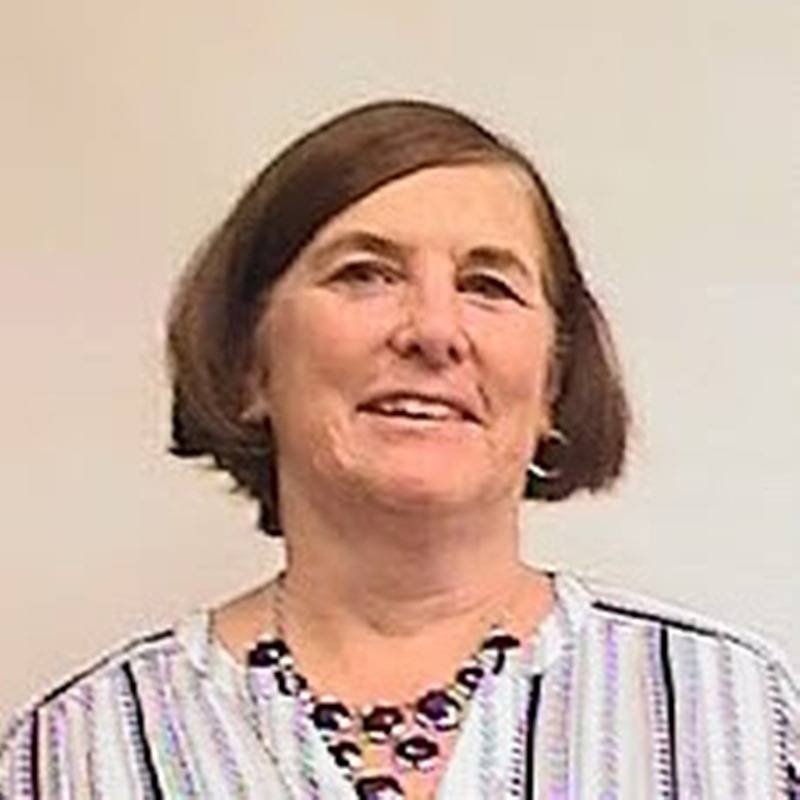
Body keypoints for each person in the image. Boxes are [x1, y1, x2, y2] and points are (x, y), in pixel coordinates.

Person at [1, 99, 797, 799]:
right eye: (365, 274)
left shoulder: (734, 713)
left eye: (488, 285)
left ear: (552, 385)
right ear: (249, 364)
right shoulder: (79, 751)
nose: (435, 331)